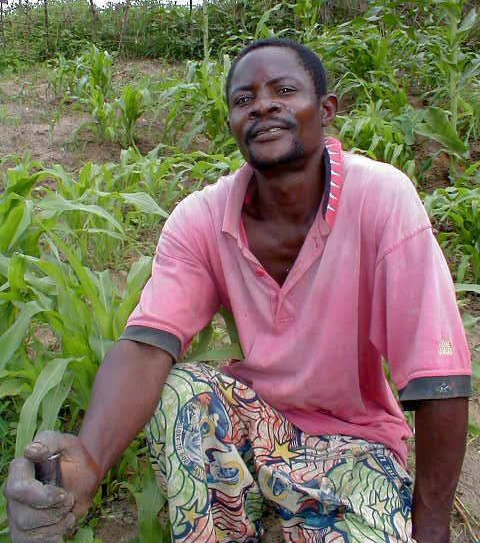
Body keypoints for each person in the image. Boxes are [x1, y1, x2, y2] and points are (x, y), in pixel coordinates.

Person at [5, 39, 471, 543]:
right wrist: (89, 459)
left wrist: (433, 530)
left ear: (327, 109)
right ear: (231, 124)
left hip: (354, 443)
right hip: (251, 424)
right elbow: (146, 344)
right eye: (244, 99)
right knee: (179, 394)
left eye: (285, 90)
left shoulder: (382, 198)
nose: (263, 105)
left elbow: (438, 375)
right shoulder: (201, 219)